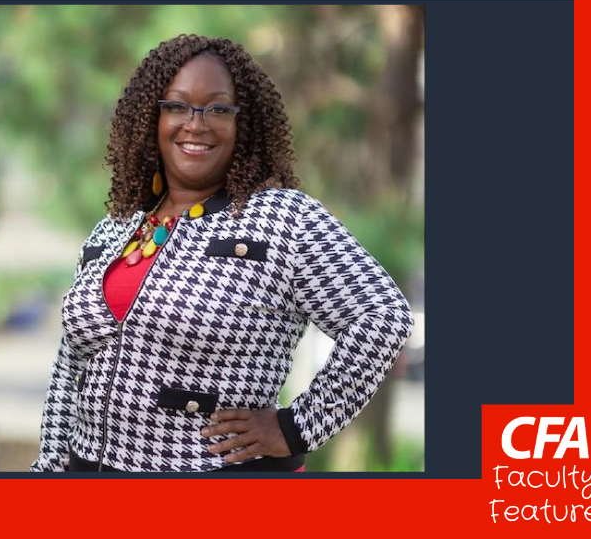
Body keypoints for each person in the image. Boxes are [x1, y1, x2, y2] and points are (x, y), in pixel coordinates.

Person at [29, 34, 414, 473]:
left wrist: (297, 428)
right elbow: (68, 370)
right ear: (150, 119)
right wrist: (48, 469)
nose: (196, 124)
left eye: (218, 109)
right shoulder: (116, 227)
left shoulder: (283, 218)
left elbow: (383, 317)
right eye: (176, 106)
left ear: (242, 123)